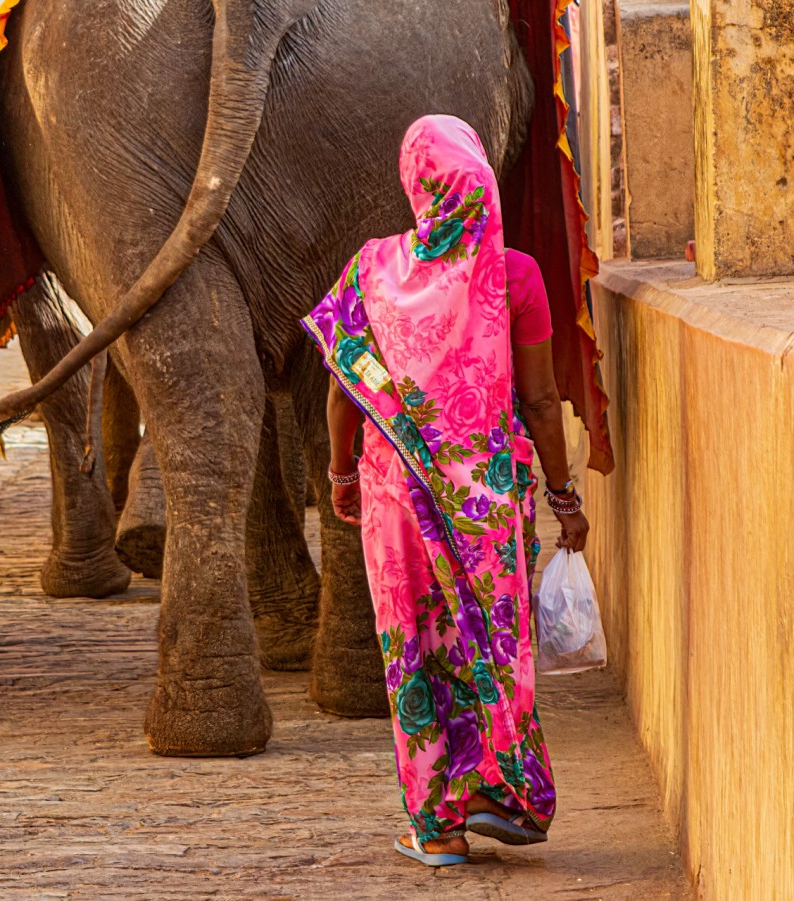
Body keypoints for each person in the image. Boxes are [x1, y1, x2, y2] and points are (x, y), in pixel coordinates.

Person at [301, 115, 590, 867]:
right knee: (491, 644)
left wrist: (339, 476)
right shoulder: (514, 275)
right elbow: (540, 399)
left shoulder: (370, 271)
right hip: (489, 507)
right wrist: (563, 498)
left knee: (416, 649)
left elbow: (341, 392)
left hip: (394, 498)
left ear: (415, 183)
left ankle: (439, 825)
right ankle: (504, 789)